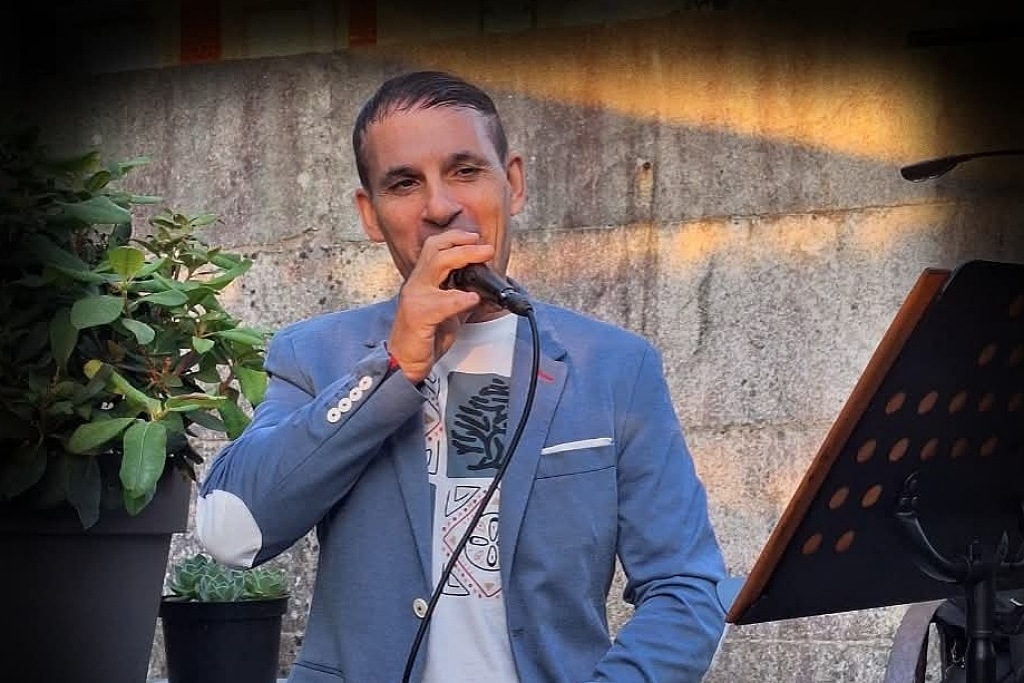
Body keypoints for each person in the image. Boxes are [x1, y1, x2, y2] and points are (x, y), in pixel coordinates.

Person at [197, 70, 727, 683]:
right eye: (404, 183)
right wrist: (393, 368)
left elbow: (686, 587)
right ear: (370, 215)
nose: (440, 207)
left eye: (466, 170)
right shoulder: (316, 355)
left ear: (514, 183)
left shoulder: (614, 366)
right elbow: (230, 531)